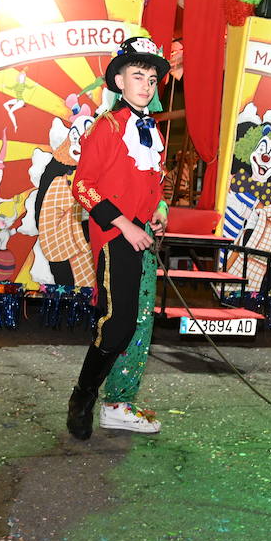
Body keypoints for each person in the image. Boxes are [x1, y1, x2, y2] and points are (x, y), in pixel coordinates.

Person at [66, 36, 170, 439]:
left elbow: (154, 185)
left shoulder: (151, 130)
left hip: (142, 238)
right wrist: (124, 224)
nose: (146, 84)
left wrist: (159, 213)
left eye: (151, 77)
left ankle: (117, 405)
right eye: (137, 75)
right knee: (117, 325)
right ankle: (83, 397)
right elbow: (83, 186)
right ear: (120, 82)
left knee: (138, 324)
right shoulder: (107, 127)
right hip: (115, 237)